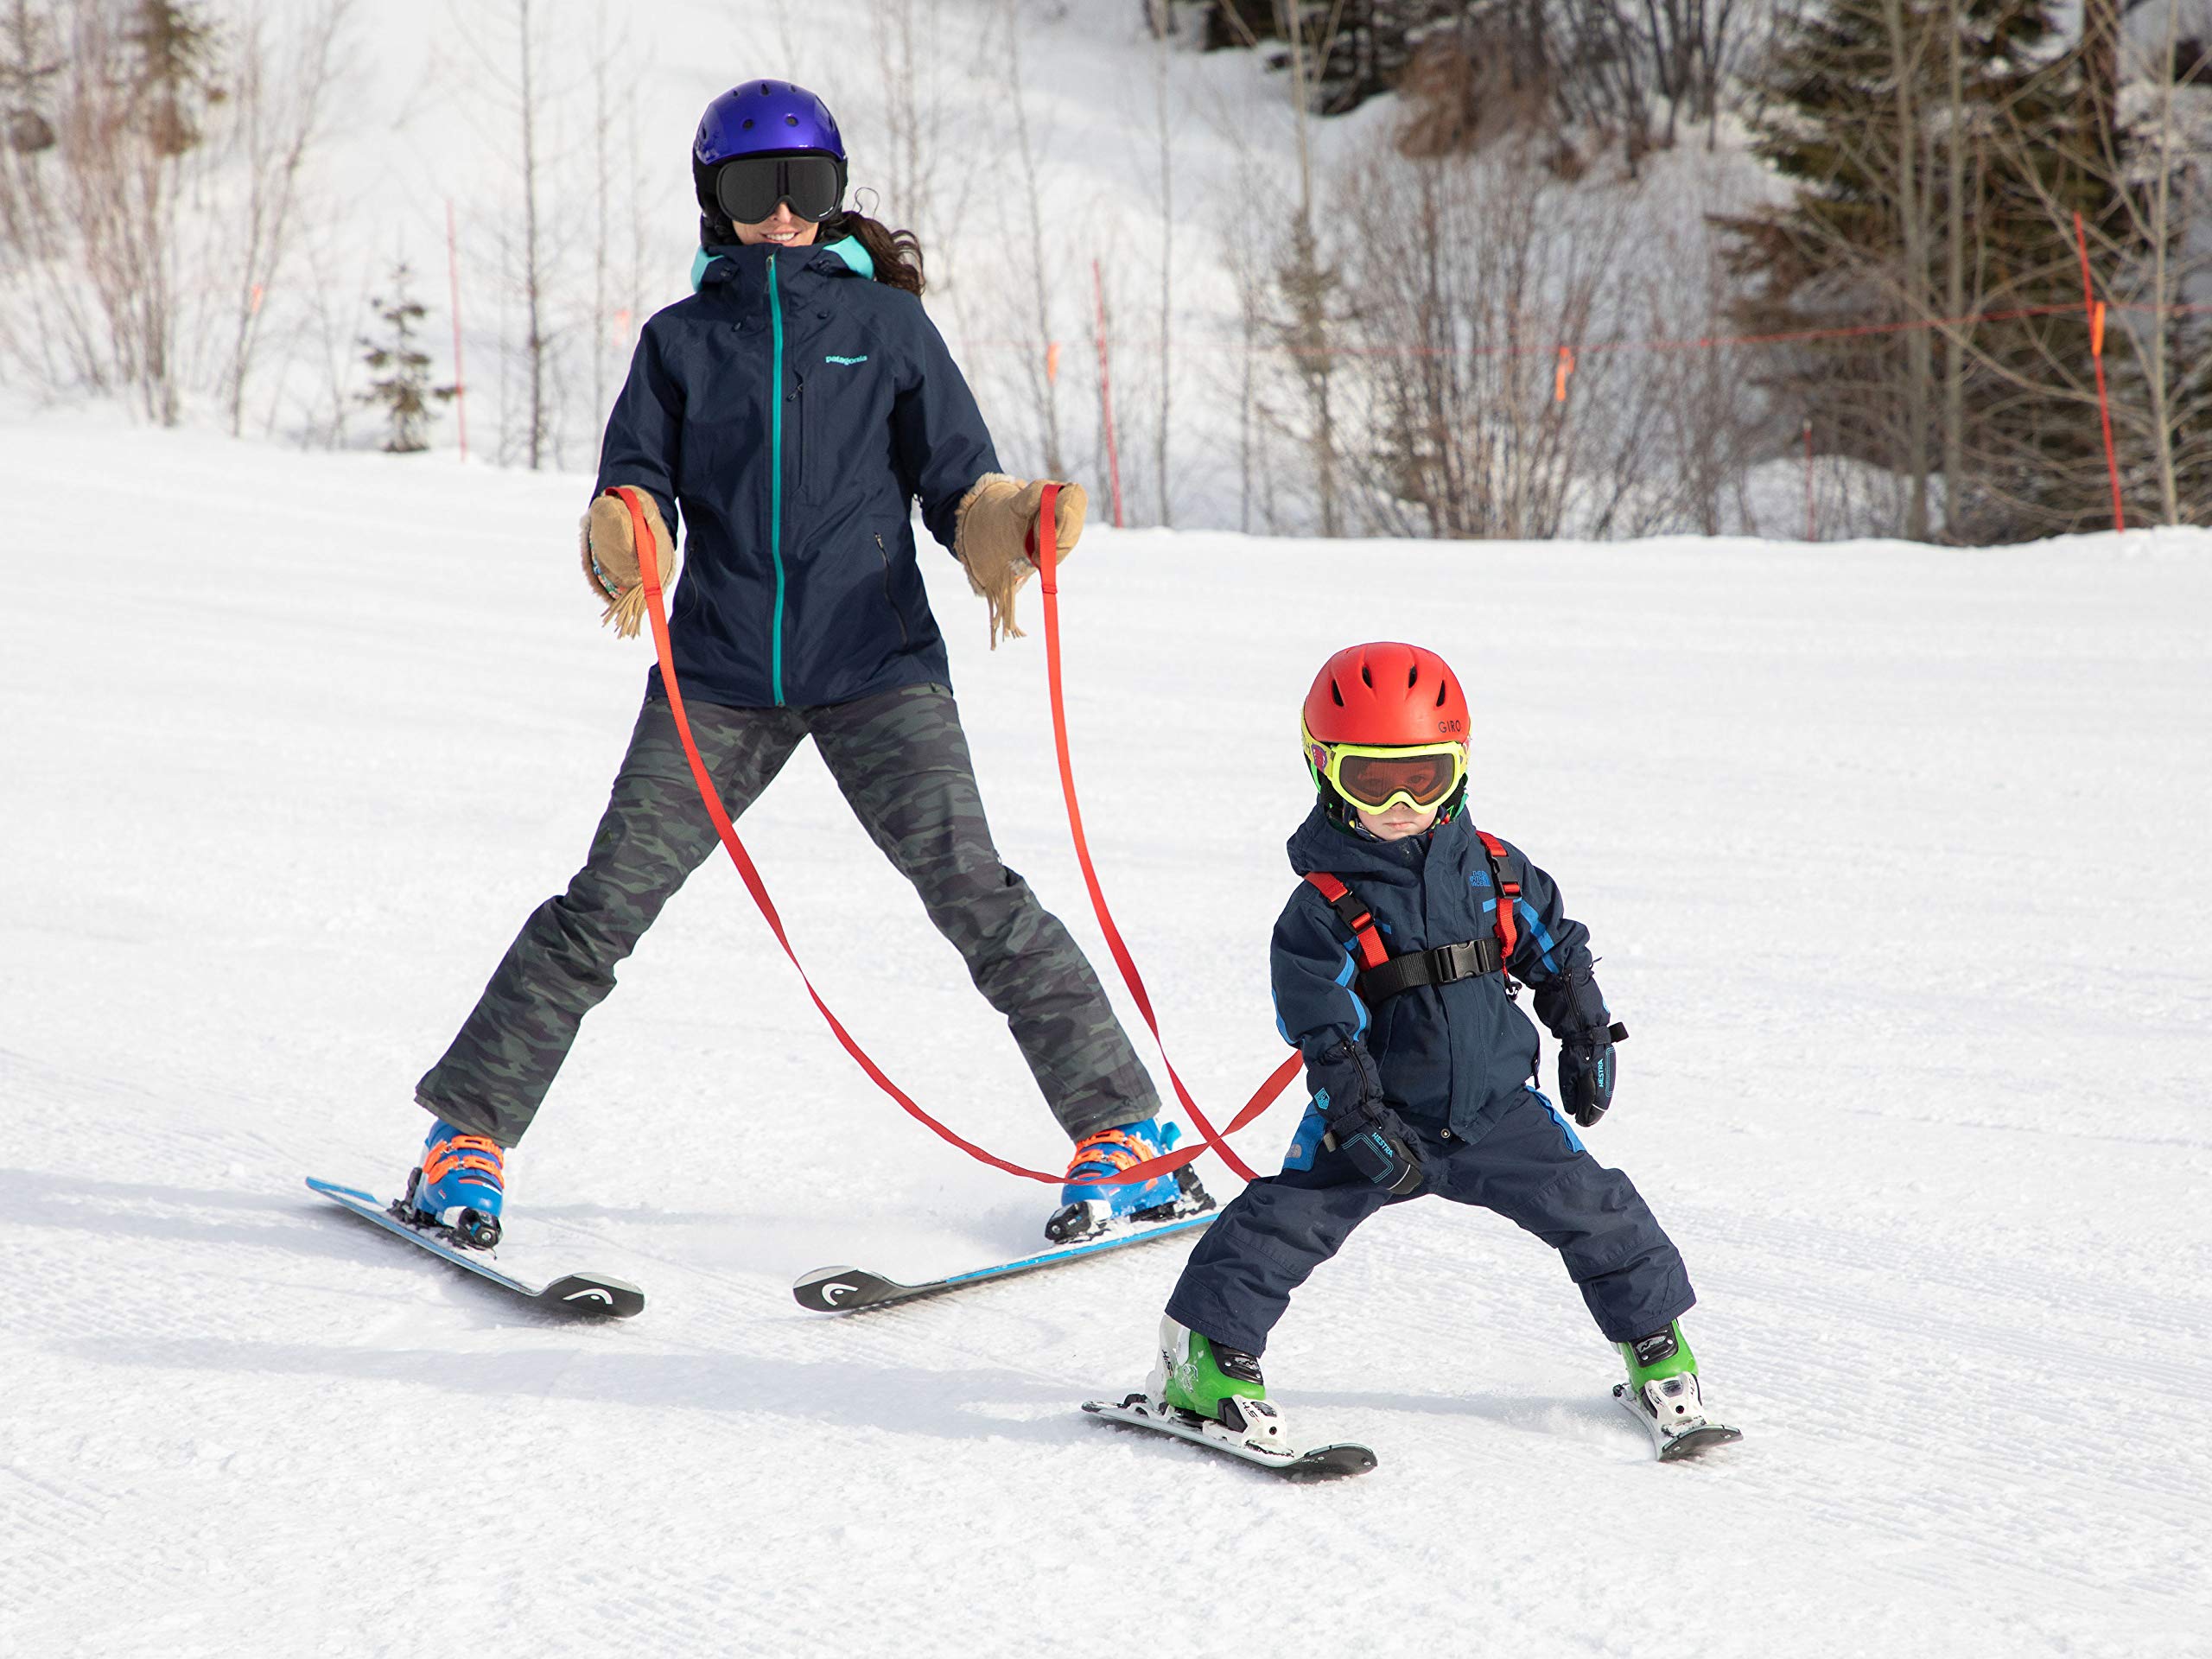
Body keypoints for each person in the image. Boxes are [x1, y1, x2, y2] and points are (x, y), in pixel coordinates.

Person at [399, 79, 1209, 1251]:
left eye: (805, 191)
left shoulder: (887, 331)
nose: (780, 215)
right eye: (752, 191)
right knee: (602, 908)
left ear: (832, 200)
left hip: (877, 664)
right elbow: (639, 482)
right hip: (722, 675)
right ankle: (464, 1142)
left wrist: (1008, 522)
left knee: (976, 894)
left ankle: (1124, 1136)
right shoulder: (678, 344)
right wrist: (628, 533)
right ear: (712, 203)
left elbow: (956, 485)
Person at [1135, 642, 1728, 1457]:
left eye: (1427, 774)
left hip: (1497, 1109)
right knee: (1279, 1225)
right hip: (1380, 1119)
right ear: (1323, 769)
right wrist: (1358, 1113)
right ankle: (1202, 1364)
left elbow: (1555, 949)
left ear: (1461, 766)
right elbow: (1324, 1026)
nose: (1403, 800)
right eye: (1371, 782)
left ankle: (1657, 1352)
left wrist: (1585, 1028)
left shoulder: (1496, 871)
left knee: (1602, 1211)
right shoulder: (1322, 906)